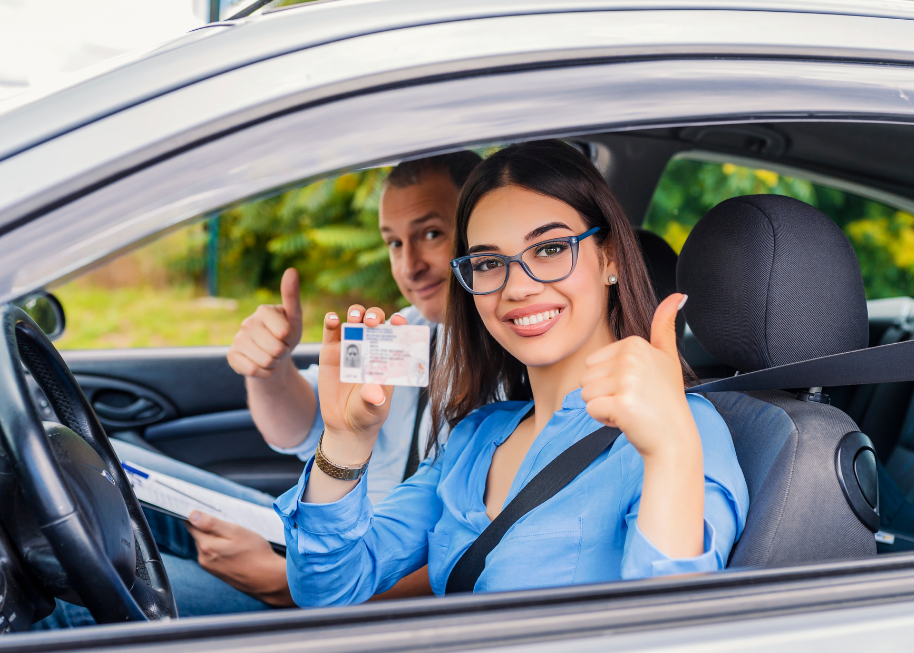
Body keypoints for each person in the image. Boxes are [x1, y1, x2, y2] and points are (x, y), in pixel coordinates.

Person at [276, 141, 749, 605]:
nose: (518, 287)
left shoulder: (683, 428)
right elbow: (328, 589)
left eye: (549, 249)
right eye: (487, 262)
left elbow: (672, 631)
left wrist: (670, 449)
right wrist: (344, 442)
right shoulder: (475, 437)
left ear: (609, 258)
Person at [34, 151, 480, 628]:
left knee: (64, 603)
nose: (409, 265)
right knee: (106, 461)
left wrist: (286, 585)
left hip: (360, 591)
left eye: (430, 234)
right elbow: (304, 426)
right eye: (393, 243)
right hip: (330, 539)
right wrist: (270, 368)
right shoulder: (408, 332)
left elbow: (467, 560)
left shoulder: (516, 383)